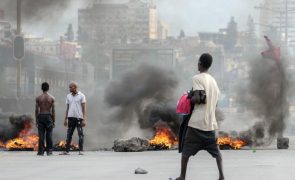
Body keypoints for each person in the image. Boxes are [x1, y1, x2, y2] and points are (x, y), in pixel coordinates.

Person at [174, 53, 224, 180]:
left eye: (198, 62)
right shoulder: (213, 82)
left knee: (186, 151)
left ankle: (182, 177)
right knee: (216, 152)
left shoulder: (197, 78)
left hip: (196, 123)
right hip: (210, 124)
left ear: (200, 64)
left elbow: (197, 99)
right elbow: (215, 103)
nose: (197, 64)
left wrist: (189, 97)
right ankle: (222, 176)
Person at [62, 82, 86, 155]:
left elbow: (84, 108)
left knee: (80, 134)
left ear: (75, 87)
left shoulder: (81, 96)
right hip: (70, 118)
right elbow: (67, 108)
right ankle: (67, 151)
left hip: (79, 118)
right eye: (69, 87)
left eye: (70, 87)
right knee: (69, 134)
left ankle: (81, 150)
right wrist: (65, 119)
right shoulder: (68, 96)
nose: (69, 88)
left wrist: (84, 119)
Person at [35, 82, 55, 156]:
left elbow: (36, 110)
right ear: (48, 88)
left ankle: (41, 151)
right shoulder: (52, 98)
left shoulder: (38, 98)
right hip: (49, 116)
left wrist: (36, 120)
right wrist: (54, 121)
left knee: (41, 135)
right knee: (49, 135)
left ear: (41, 88)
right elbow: (53, 111)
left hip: (41, 116)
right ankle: (49, 151)